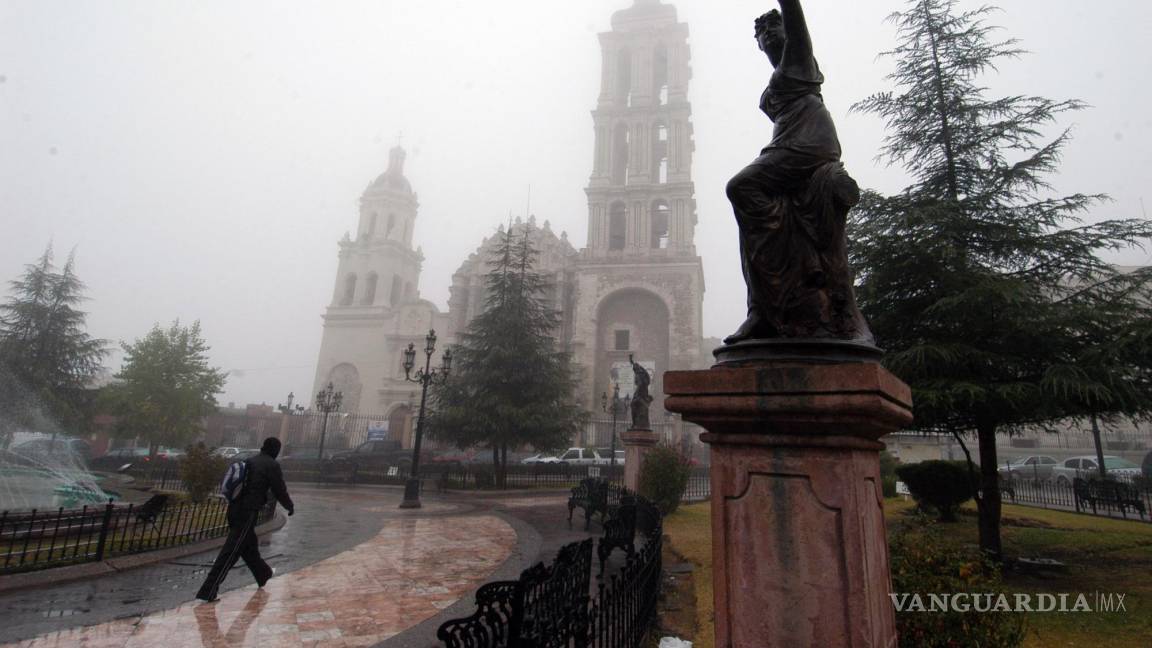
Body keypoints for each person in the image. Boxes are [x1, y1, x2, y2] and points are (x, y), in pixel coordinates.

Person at [724, 0, 870, 344]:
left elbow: (794, 17)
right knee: (760, 214)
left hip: (809, 145)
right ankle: (766, 304)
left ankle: (764, 309)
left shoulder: (799, 60)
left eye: (774, 29)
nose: (767, 36)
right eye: (761, 34)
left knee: (742, 187)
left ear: (788, 34)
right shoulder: (779, 74)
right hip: (790, 145)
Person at [196, 436, 294, 602]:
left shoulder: (251, 460)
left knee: (248, 547)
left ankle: (263, 573)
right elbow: (279, 489)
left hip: (234, 508)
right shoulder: (271, 465)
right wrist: (289, 506)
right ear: (275, 450)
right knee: (232, 550)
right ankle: (209, 589)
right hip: (247, 511)